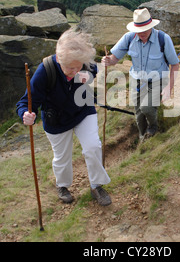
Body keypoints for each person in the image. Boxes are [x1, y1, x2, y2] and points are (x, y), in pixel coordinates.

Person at [16, 30, 112, 206]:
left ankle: (97, 185)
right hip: (57, 120)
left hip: (83, 111)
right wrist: (26, 114)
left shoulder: (84, 64)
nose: (74, 71)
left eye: (78, 67)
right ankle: (62, 185)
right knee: (62, 157)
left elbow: (94, 70)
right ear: (59, 59)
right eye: (69, 68)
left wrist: (90, 76)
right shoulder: (45, 71)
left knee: (93, 146)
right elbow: (26, 102)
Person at [102, 8, 180, 140]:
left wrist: (169, 88)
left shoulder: (163, 39)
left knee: (147, 108)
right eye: (138, 30)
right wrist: (108, 60)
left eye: (145, 29)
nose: (141, 33)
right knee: (138, 114)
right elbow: (114, 59)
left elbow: (175, 64)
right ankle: (143, 137)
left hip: (158, 80)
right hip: (136, 81)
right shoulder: (129, 37)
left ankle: (153, 127)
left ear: (151, 26)